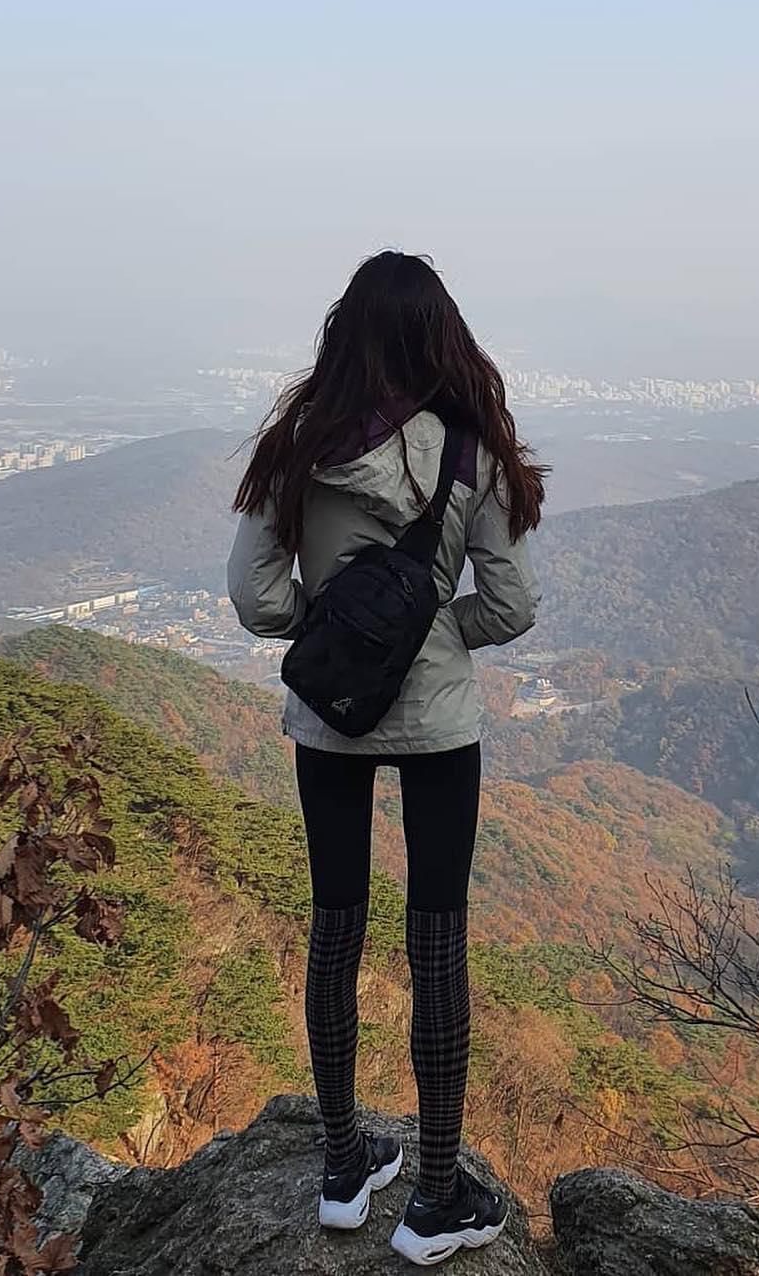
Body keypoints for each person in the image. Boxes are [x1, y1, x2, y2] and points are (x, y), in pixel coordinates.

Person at [228, 251, 545, 1265]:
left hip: (328, 716)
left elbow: (254, 595)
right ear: (438, 337)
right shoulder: (469, 450)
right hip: (439, 721)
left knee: (334, 928)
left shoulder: (296, 443)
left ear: (345, 333)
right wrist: (432, 629)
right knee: (436, 940)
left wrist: (330, 621)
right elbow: (512, 602)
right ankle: (437, 1192)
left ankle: (339, 1165)